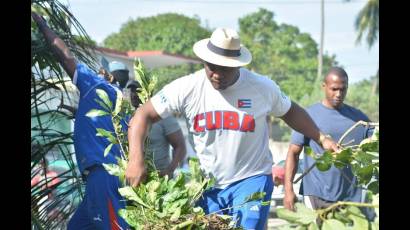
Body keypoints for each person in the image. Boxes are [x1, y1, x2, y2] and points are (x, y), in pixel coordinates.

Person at [125, 27, 339, 230]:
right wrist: (136, 159)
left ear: (238, 65)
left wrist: (321, 137)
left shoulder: (261, 88)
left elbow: (291, 111)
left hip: (252, 179)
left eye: (225, 69)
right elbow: (143, 115)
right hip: (208, 186)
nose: (217, 74)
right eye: (212, 67)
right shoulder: (187, 88)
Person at [32, 12, 129, 230]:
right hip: (107, 176)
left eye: (100, 71)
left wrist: (42, 24)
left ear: (107, 75)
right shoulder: (123, 103)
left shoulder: (96, 85)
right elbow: (104, 124)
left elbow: (65, 56)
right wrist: (77, 112)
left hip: (103, 176)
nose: (97, 71)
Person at [283, 67, 374, 214]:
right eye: (334, 89)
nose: (338, 94)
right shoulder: (307, 116)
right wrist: (288, 190)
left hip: (351, 198)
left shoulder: (359, 119)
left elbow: (375, 140)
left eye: (343, 89)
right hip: (317, 196)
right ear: (324, 86)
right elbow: (293, 153)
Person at [126, 80, 187, 178]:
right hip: (134, 180)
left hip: (159, 181)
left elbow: (180, 146)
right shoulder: (125, 117)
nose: (133, 95)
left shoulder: (163, 116)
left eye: (137, 91)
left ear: (148, 93)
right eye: (132, 91)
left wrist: (169, 170)